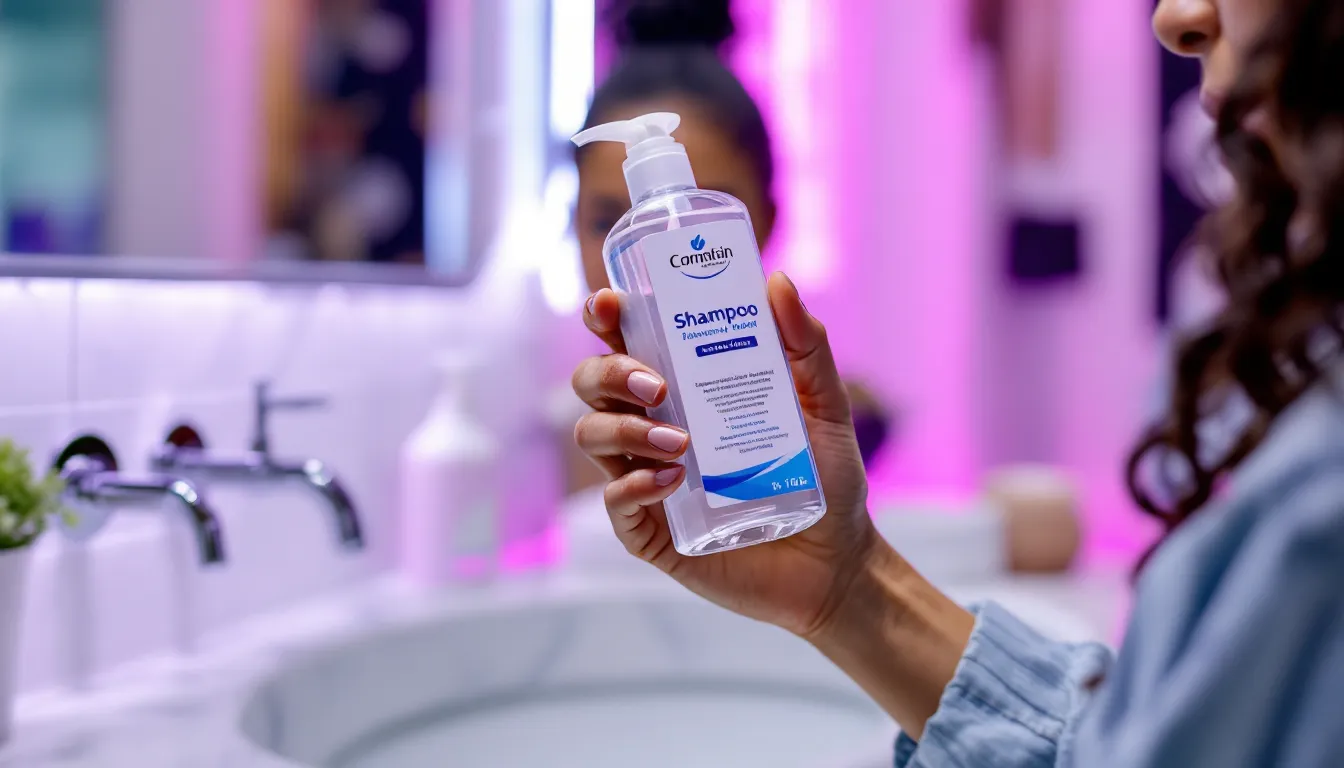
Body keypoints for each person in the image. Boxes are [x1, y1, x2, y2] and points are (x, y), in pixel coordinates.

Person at [571, 0, 1344, 762]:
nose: (1172, 17)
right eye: (596, 218)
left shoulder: (1320, 492)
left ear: (767, 215)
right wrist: (843, 583)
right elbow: (1128, 749)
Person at [563, 0, 1081, 574]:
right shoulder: (565, 438)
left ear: (765, 216)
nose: (663, 262)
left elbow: (1049, 528)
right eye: (606, 220)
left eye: (693, 227)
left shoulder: (826, 414)